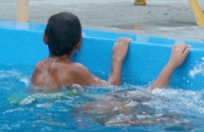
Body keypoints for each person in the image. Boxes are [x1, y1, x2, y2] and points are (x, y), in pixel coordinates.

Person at [30, 11, 191, 90]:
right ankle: (171, 65)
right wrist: (117, 59)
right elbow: (112, 86)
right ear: (78, 44)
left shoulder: (39, 67)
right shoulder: (75, 70)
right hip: (65, 110)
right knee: (140, 97)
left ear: (45, 38)